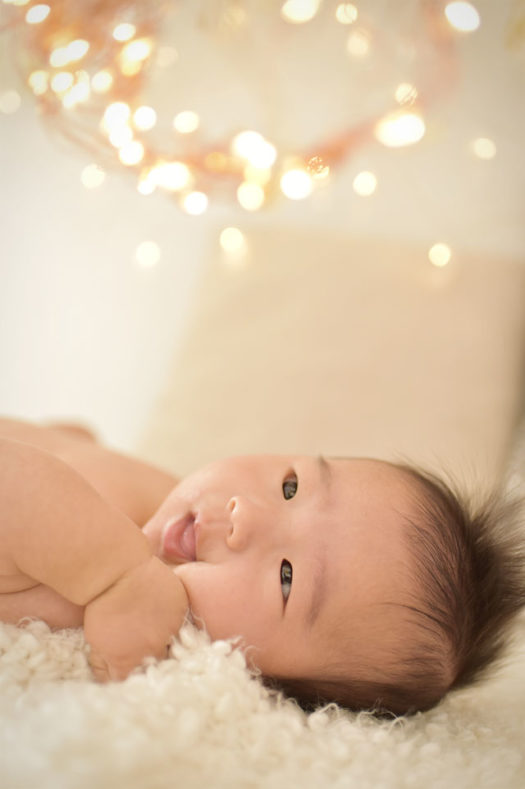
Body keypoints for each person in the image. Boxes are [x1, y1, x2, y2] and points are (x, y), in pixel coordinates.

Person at [0, 417, 524, 716]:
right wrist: (118, 578)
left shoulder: (96, 613)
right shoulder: (115, 566)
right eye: (290, 486)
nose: (243, 515)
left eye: (287, 578)